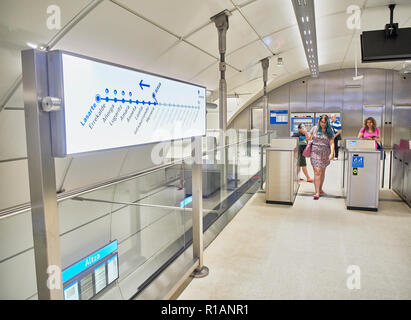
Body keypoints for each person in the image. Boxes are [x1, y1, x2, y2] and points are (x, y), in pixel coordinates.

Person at [307, 114, 335, 200]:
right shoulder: (314, 128)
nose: (323, 124)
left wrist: (332, 153)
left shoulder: (330, 131)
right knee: (317, 171)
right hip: (314, 152)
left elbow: (332, 143)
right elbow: (309, 138)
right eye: (322, 122)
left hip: (325, 153)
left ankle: (320, 189)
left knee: (322, 172)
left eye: (325, 122)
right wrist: (305, 133)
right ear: (319, 121)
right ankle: (317, 192)